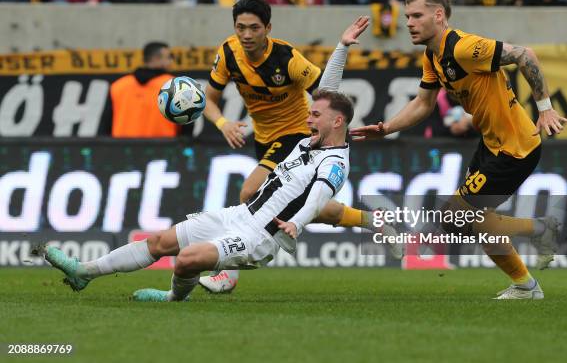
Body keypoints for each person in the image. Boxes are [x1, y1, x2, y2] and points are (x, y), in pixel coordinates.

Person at [350, 0, 567, 300]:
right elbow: (423, 104)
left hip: (517, 148)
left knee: (455, 217)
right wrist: (386, 128)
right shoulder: (433, 55)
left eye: (416, 16)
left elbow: (525, 54)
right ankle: (526, 282)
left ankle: (537, 236)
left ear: (438, 15)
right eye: (407, 17)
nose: (409, 23)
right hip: (491, 144)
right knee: (473, 221)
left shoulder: (464, 48)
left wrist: (545, 108)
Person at [40, 86, 356, 302]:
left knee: (186, 260)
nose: (308, 118)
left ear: (337, 121)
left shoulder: (334, 162)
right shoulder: (308, 142)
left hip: (260, 237)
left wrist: (297, 224)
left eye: (315, 115)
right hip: (240, 214)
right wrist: (342, 46)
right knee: (159, 242)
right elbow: (328, 87)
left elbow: (317, 197)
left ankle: (173, 297)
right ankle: (84, 272)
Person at [200, 3, 402, 292]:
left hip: (296, 136)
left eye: (254, 28)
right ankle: (373, 221)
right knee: (298, 204)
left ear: (268, 29)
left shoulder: (287, 58)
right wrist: (223, 123)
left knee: (249, 193)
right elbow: (208, 99)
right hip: (264, 139)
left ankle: (228, 273)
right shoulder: (228, 53)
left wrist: (341, 50)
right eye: (240, 27)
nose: (246, 34)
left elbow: (325, 94)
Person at [107, 42, 180, 138]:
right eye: (169, 57)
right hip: (164, 148)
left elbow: (107, 124)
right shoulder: (176, 86)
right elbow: (187, 125)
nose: (171, 62)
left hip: (122, 148)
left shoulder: (118, 85)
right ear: (156, 59)